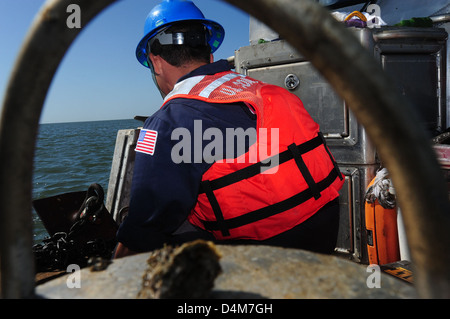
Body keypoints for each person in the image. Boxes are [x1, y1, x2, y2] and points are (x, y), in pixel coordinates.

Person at [114, 0, 344, 258]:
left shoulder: (166, 122)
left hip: (263, 262)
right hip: (323, 241)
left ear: (155, 62)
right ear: (209, 55)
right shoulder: (263, 91)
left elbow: (142, 230)